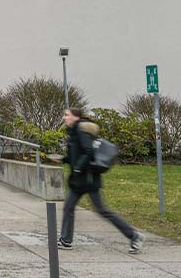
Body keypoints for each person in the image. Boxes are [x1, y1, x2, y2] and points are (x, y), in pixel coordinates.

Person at [58, 107, 144, 254]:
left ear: (76, 117)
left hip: (88, 180)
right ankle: (66, 240)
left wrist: (78, 168)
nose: (64, 118)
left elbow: (88, 152)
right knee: (68, 208)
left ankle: (134, 235)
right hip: (79, 181)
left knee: (103, 210)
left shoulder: (81, 130)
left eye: (67, 115)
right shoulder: (73, 132)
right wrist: (64, 159)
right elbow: (77, 154)